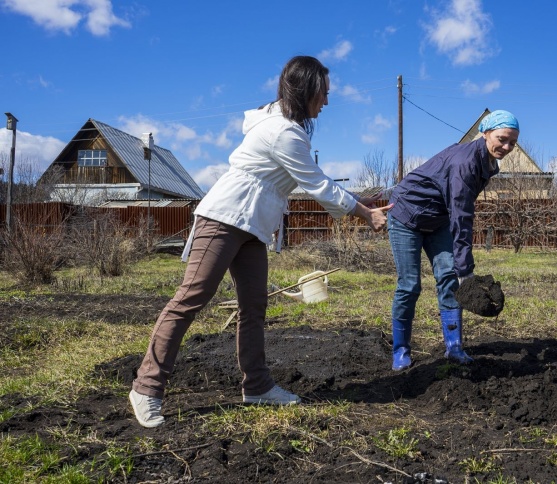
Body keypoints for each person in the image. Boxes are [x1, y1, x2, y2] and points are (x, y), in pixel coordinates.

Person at [129, 55, 392, 428]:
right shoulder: (283, 131)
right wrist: (365, 215)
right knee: (190, 299)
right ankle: (146, 388)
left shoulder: (284, 123)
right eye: (324, 93)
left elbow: (313, 179)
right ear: (305, 90)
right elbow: (316, 184)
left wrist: (357, 202)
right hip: (223, 217)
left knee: (253, 308)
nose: (327, 102)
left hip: (253, 226)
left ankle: (257, 386)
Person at [386, 110, 519, 371]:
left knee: (448, 277)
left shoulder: (488, 162)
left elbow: (457, 212)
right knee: (409, 285)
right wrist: (467, 271)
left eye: (512, 143)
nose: (506, 147)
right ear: (485, 133)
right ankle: (400, 351)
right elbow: (461, 215)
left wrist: (460, 272)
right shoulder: (465, 162)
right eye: (502, 139)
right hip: (406, 216)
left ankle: (454, 347)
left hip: (437, 220)